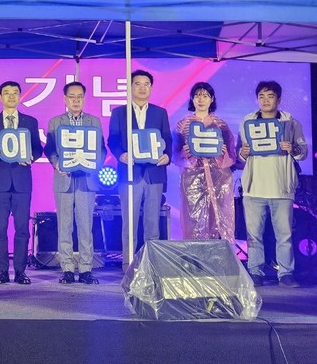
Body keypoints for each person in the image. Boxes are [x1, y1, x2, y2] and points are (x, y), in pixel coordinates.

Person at [237, 80, 307, 287]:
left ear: (279, 99)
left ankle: (285, 274)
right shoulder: (247, 121)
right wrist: (243, 153)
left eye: (270, 96)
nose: (265, 100)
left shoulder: (290, 122)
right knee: (253, 235)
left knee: (284, 234)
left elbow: (303, 151)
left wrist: (293, 149)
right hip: (254, 186)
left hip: (281, 187)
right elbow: (240, 153)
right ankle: (255, 272)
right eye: (261, 96)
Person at [0, 80, 43, 285]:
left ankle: (21, 271)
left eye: (15, 92)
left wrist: (31, 157)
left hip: (22, 181)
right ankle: (2, 272)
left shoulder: (30, 121)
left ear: (20, 96)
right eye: (6, 93)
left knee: (22, 228)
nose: (11, 96)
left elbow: (38, 148)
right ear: (0, 97)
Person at [44, 81, 106, 285]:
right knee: (65, 226)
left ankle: (86, 269)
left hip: (87, 180)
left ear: (84, 98)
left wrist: (96, 164)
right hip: (64, 179)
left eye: (80, 96)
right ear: (65, 99)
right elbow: (50, 149)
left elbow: (101, 149)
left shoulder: (94, 122)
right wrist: (56, 164)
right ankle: (68, 269)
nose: (76, 100)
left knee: (86, 226)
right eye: (72, 96)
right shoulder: (55, 122)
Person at [108, 69, 171, 269]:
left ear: (151, 88)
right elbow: (113, 140)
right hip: (129, 173)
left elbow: (167, 139)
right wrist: (120, 155)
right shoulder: (119, 112)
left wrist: (167, 155)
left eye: (146, 84)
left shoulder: (160, 112)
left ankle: (151, 266)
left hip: (154, 173)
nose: (142, 88)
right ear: (130, 87)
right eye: (138, 84)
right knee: (129, 222)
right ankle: (128, 264)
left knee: (152, 222)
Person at [174, 82, 235, 242]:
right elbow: (174, 152)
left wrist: (223, 154)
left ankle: (218, 252)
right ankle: (195, 253)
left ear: (212, 99)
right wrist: (184, 153)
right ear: (192, 99)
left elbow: (231, 152)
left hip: (218, 177)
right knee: (193, 216)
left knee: (218, 215)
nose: (201, 99)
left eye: (205, 96)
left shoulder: (220, 125)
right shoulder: (182, 125)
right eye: (197, 96)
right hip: (192, 178)